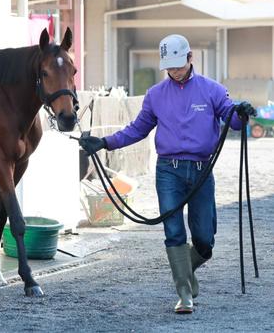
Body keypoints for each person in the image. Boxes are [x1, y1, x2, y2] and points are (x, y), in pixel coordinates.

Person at [79, 34, 256, 314]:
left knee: (204, 239)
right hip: (168, 172)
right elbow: (137, 129)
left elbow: (232, 120)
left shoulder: (212, 90)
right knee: (173, 232)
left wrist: (242, 112)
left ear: (190, 58)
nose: (174, 71)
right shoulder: (155, 95)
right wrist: (104, 142)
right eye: (169, 67)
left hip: (201, 170)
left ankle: (184, 269)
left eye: (178, 65)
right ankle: (184, 294)